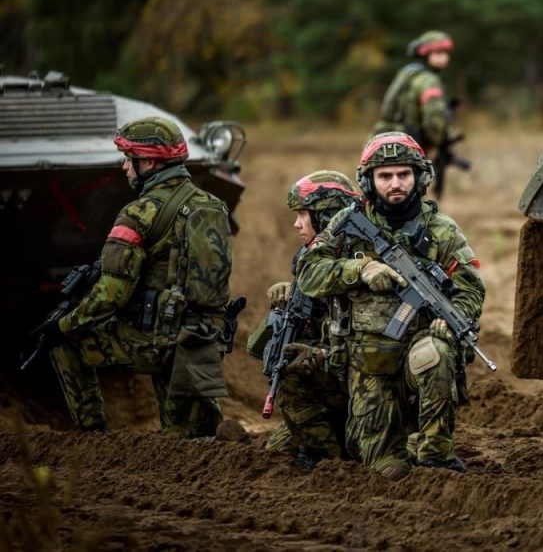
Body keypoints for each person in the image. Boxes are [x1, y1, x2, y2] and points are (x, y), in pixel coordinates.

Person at [297, 132, 485, 481]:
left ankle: (436, 456)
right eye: (385, 176)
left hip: (417, 357)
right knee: (387, 470)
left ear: (420, 177)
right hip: (368, 368)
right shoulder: (349, 225)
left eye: (404, 174)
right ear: (369, 181)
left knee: (438, 352)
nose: (395, 183)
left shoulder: (442, 231)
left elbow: (470, 288)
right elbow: (308, 272)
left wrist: (455, 320)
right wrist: (360, 269)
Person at [46, 116, 233, 437]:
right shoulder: (213, 206)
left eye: (128, 159)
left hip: (156, 341)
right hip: (203, 341)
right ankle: (210, 429)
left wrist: (66, 323)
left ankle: (93, 439)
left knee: (63, 342)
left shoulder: (137, 213)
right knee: (188, 437)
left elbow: (111, 294)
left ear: (148, 161)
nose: (125, 168)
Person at [246, 170, 362, 469]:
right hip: (334, 379)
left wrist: (317, 356)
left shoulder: (354, 264)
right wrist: (293, 290)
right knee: (278, 448)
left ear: (326, 217)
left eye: (303, 215)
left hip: (361, 383)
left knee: (291, 376)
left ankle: (333, 462)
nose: (297, 224)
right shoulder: (309, 259)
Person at [372, 30, 455, 158]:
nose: (444, 58)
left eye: (446, 53)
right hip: (410, 147)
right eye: (438, 53)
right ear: (425, 54)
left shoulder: (407, 73)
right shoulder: (429, 80)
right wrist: (435, 143)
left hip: (384, 140)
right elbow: (434, 119)